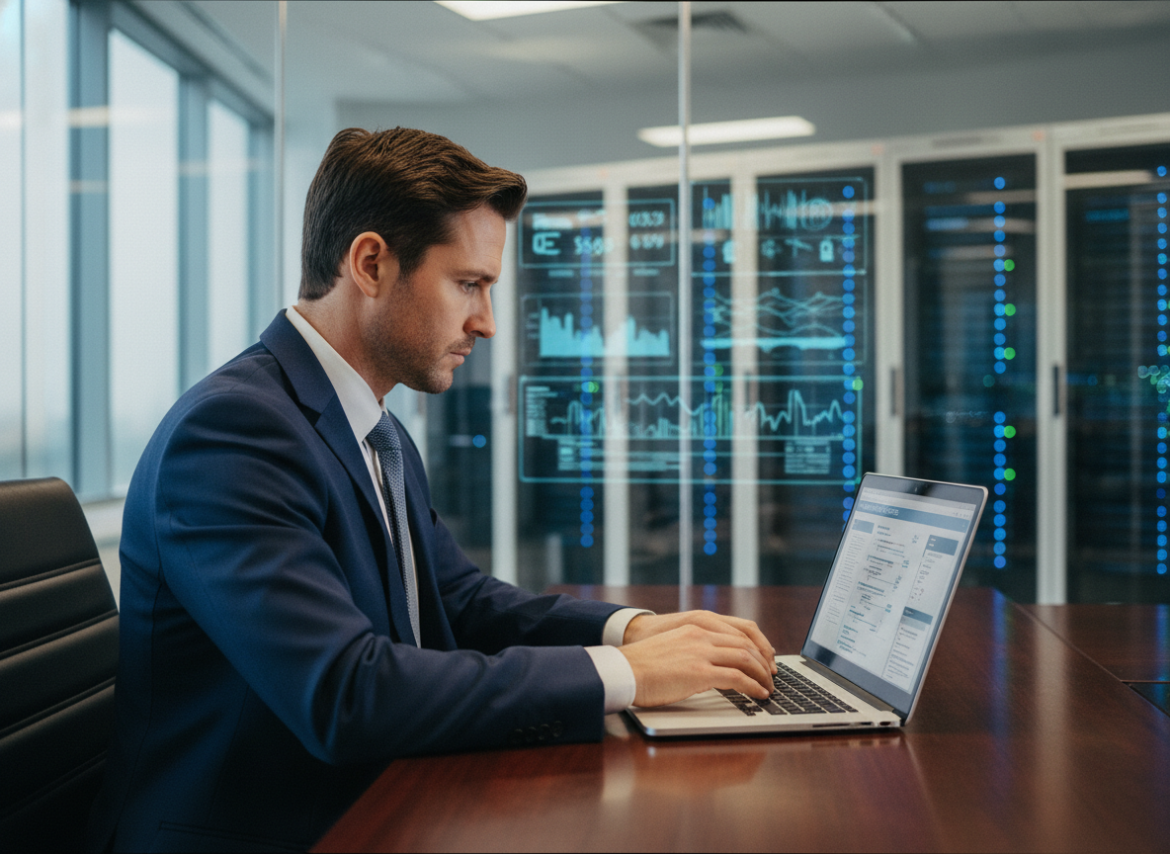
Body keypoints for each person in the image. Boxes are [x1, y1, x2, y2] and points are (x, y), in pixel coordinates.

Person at [88, 127, 776, 853]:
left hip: (374, 801)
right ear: (371, 263)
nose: (485, 322)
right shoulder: (232, 435)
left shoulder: (369, 424)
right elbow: (345, 695)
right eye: (469, 285)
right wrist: (625, 675)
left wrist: (629, 632)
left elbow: (456, 600)